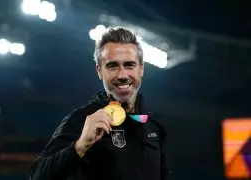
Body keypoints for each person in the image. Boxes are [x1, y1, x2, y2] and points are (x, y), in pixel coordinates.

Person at [29, 27, 171, 180]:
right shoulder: (82, 119)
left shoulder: (153, 125)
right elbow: (37, 176)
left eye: (129, 65)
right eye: (112, 66)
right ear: (99, 70)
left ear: (141, 69)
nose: (122, 75)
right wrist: (80, 145)